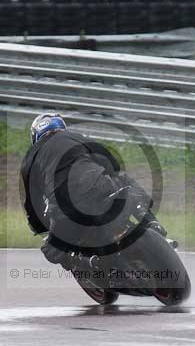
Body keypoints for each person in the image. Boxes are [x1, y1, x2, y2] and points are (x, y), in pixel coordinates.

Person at [19, 113, 163, 267]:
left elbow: (31, 202)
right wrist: (106, 174)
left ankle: (86, 263)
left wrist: (39, 226)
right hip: (101, 189)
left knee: (52, 251)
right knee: (126, 183)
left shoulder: (30, 157)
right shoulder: (76, 138)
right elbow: (111, 163)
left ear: (35, 136)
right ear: (61, 127)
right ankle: (150, 220)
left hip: (66, 210)